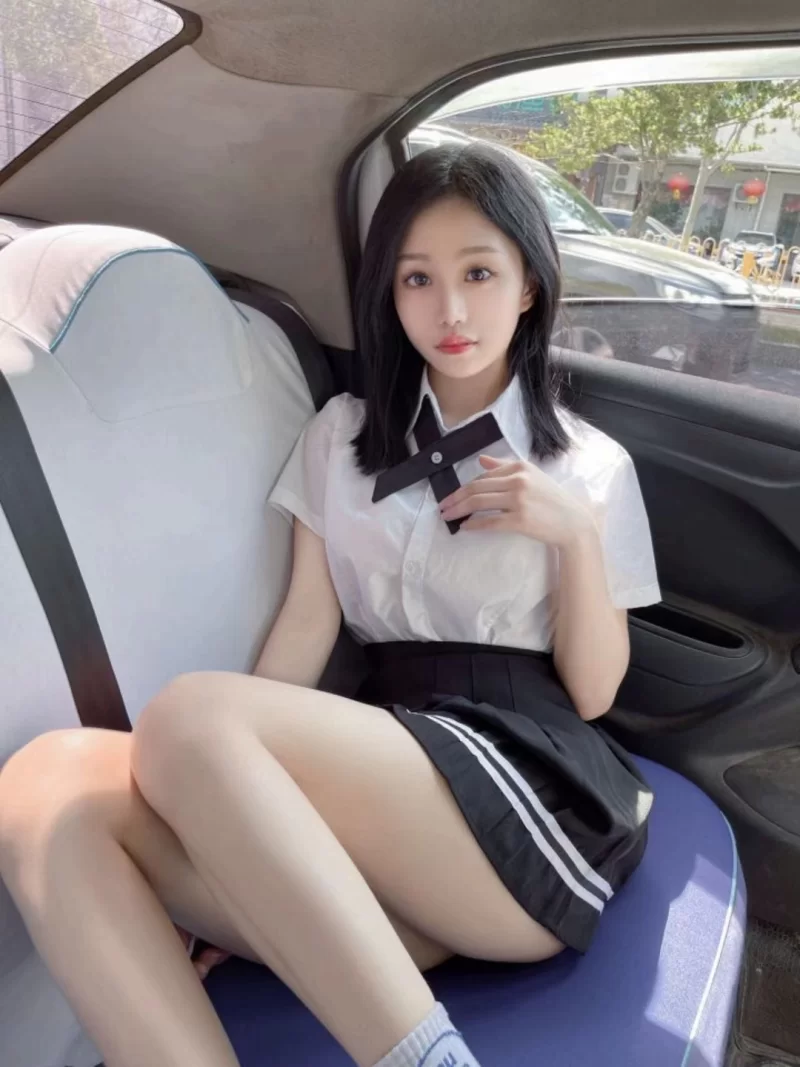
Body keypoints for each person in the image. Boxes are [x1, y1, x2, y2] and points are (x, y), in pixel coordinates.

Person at [0, 143, 661, 1067]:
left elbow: (593, 693)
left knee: (186, 713)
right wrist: (221, 829)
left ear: (528, 287)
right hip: (383, 814)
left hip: (522, 792)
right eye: (418, 279)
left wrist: (576, 536)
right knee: (47, 789)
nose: (451, 309)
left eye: (479, 273)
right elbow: (308, 624)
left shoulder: (588, 466)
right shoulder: (341, 436)